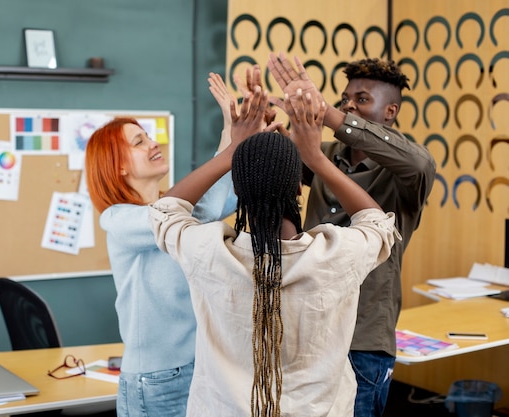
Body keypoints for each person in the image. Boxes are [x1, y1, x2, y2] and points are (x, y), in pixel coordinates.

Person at [148, 88, 399, 416]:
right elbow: (378, 222)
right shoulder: (340, 255)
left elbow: (165, 211)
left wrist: (230, 152)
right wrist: (316, 159)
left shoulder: (208, 252)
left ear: (238, 191)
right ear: (298, 187)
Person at [266, 52, 437, 417]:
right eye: (346, 98)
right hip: (306, 329)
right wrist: (267, 131)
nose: (349, 105)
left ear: (390, 112)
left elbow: (421, 162)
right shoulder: (325, 153)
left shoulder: (406, 172)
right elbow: (279, 164)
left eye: (361, 99)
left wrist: (326, 113)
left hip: (362, 341)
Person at [84, 70, 247, 416]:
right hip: (154, 380)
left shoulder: (181, 211)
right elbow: (177, 210)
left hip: (197, 367)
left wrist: (231, 132)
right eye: (138, 142)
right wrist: (230, 146)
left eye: (149, 137)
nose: (153, 143)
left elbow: (211, 202)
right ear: (118, 167)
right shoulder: (118, 220)